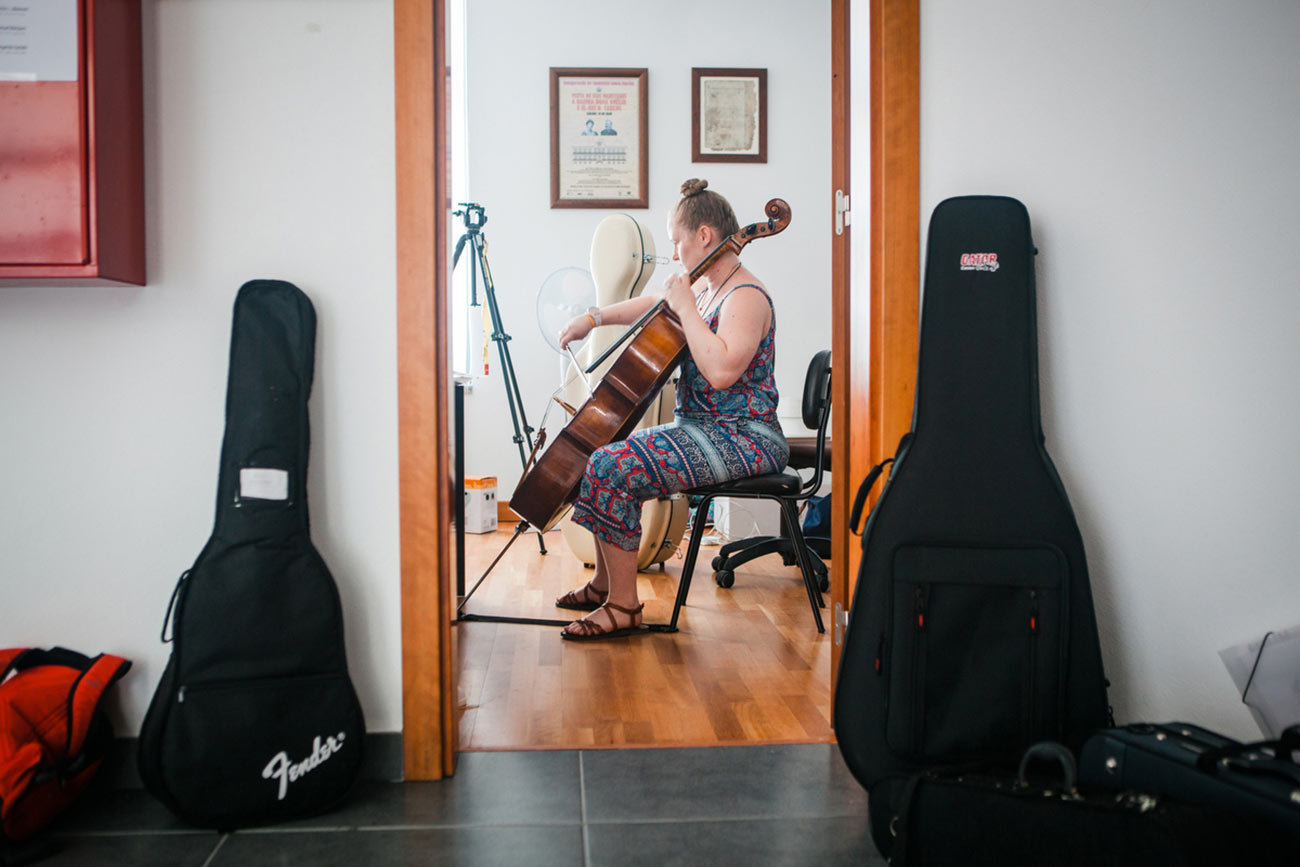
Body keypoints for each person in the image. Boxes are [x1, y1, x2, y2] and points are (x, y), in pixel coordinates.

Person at [554, 178, 789, 640]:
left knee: (611, 466)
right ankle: (605, 582)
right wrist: (593, 317)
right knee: (602, 451)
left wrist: (685, 304)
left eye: (677, 241)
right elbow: (654, 303)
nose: (675, 253)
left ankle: (623, 606)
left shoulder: (746, 296)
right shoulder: (705, 291)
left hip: (745, 436)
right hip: (702, 429)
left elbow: (722, 371)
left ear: (704, 236)